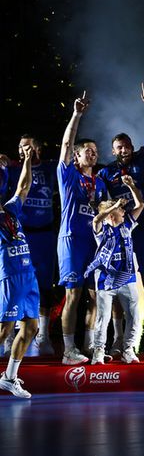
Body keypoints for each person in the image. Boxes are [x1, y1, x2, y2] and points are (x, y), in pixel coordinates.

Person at [96, 84, 144, 354]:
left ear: (132, 148)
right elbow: (99, 202)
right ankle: (118, 338)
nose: (123, 150)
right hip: (120, 234)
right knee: (116, 281)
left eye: (126, 147)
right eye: (118, 148)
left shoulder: (143, 160)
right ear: (113, 151)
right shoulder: (105, 173)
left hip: (143, 229)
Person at [57, 92, 107, 365]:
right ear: (76, 155)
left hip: (93, 243)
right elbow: (66, 143)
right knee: (73, 295)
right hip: (72, 240)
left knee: (95, 296)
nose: (93, 154)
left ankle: (89, 348)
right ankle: (68, 350)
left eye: (95, 151)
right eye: (88, 150)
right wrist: (77, 114)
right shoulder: (68, 175)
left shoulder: (100, 182)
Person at [4, 135, 58, 355]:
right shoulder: (12, 168)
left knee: (44, 285)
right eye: (20, 146)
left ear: (38, 149)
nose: (23, 149)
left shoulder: (50, 167)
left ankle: (43, 337)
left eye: (27, 146)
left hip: (44, 235)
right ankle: (8, 336)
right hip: (19, 236)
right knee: (13, 285)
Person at [86, 175, 144, 364]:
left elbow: (140, 204)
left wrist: (131, 185)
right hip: (106, 280)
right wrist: (114, 205)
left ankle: (128, 349)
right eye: (120, 209)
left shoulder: (127, 224)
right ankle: (98, 351)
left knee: (134, 315)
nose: (123, 210)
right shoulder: (101, 229)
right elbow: (97, 218)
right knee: (103, 318)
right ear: (111, 214)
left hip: (128, 278)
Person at [0, 144, 38, 398]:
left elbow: (23, 186)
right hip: (9, 277)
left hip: (28, 275)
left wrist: (26, 159)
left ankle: (9, 378)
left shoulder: (10, 209)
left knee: (31, 328)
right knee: (4, 330)